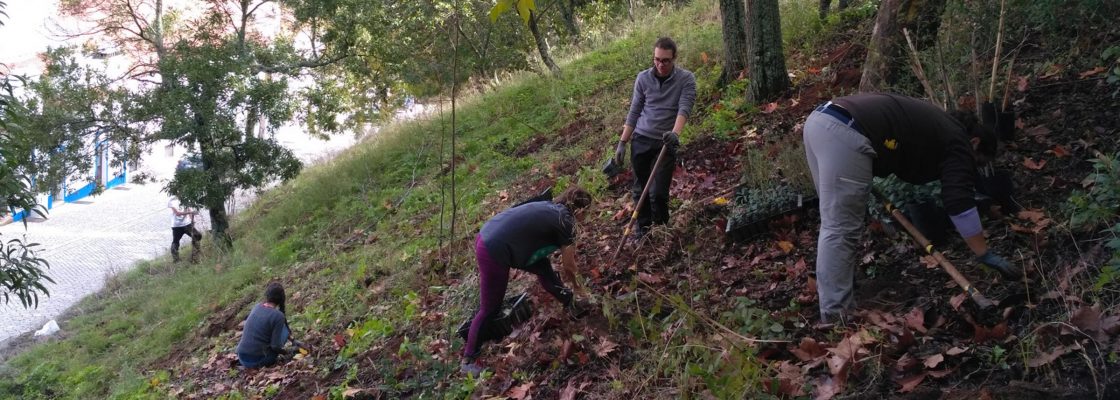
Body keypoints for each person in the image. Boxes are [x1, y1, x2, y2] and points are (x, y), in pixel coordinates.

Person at [802, 93, 1021, 326]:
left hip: (822, 121)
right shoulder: (959, 142)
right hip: (845, 132)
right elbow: (958, 201)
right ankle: (837, 319)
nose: (971, 168)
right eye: (977, 162)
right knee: (840, 228)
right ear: (975, 143)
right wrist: (983, 253)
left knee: (835, 223)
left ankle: (839, 292)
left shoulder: (942, 126)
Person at [461, 186, 594, 376]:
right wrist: (579, 287)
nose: (586, 219)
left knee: (545, 271)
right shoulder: (566, 222)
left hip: (492, 234)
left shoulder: (552, 208)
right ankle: (469, 359)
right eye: (586, 214)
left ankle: (571, 304)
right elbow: (569, 266)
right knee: (490, 307)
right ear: (580, 210)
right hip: (494, 248)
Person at [612, 36, 697, 239]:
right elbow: (634, 111)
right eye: (657, 59)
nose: (660, 65)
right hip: (641, 138)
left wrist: (674, 135)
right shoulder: (643, 78)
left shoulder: (686, 79)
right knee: (640, 189)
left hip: (666, 142)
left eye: (665, 60)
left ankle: (662, 230)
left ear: (674, 58)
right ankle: (643, 230)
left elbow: (684, 109)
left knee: (658, 192)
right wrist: (622, 142)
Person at [237, 282, 295, 368]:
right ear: (282, 298)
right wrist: (288, 352)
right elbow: (275, 346)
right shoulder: (278, 316)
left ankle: (293, 341)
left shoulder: (257, 306)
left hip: (241, 357)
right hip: (257, 361)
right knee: (282, 333)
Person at [168, 196, 202, 263]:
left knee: (197, 236)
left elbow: (189, 209)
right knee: (175, 242)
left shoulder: (186, 197)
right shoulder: (172, 200)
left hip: (187, 224)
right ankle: (176, 260)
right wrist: (191, 213)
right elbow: (177, 213)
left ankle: (195, 257)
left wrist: (192, 219)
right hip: (176, 226)